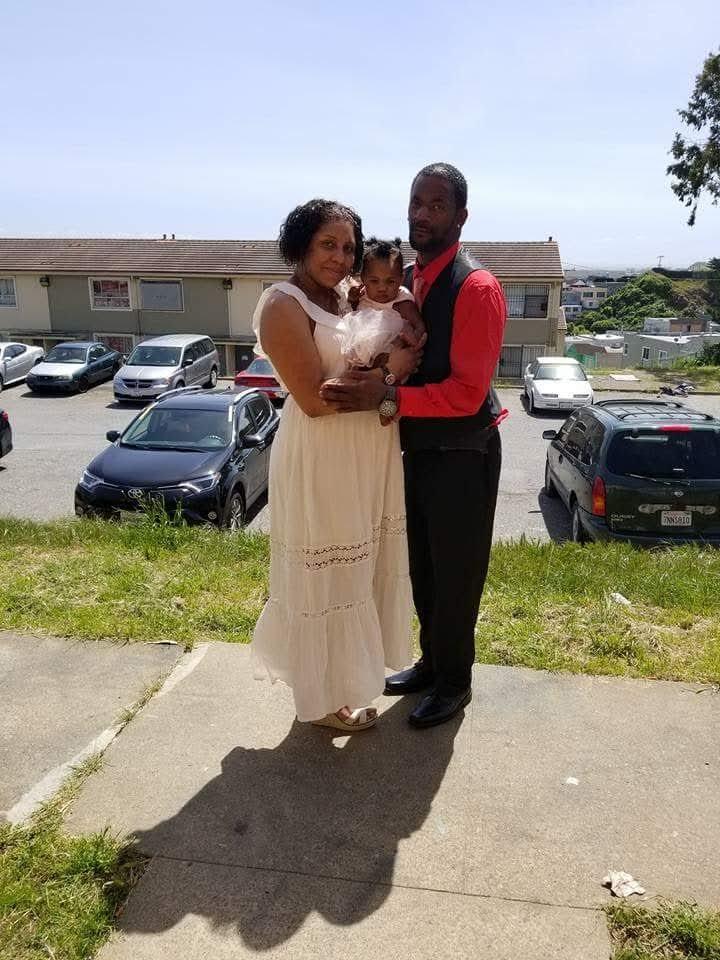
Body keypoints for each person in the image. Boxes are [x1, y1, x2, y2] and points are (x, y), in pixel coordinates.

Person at [321, 163, 507, 729]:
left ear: (461, 217)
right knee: (422, 568)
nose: (422, 214)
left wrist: (387, 397)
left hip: (463, 454)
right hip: (420, 450)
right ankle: (431, 664)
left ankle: (455, 682)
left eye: (437, 205)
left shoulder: (477, 288)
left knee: (456, 575)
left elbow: (467, 393)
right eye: (416, 203)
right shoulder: (405, 278)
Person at [250, 199, 422, 732]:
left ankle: (343, 683)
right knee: (328, 576)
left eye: (348, 247)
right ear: (300, 244)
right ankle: (321, 699)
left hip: (367, 455)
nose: (340, 257)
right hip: (323, 455)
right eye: (328, 244)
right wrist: (392, 375)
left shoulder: (349, 295)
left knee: (358, 572)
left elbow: (394, 322)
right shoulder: (283, 304)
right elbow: (314, 399)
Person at [338, 236, 423, 371]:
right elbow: (353, 314)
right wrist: (353, 299)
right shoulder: (362, 296)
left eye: (390, 281)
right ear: (363, 278)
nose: (382, 288)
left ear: (401, 279)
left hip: (391, 361)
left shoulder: (402, 301)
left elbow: (419, 325)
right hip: (358, 355)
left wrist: (413, 343)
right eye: (374, 281)